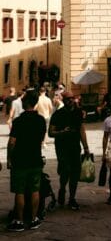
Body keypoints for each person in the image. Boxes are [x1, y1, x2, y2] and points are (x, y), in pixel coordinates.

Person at [7, 89, 46, 232]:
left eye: (23, 100)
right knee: (35, 190)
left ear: (26, 102)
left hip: (20, 160)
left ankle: (19, 221)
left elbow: (12, 142)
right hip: (35, 159)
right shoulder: (41, 120)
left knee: (20, 191)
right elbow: (42, 139)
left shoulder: (19, 121)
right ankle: (35, 219)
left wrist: (9, 158)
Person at [49, 91, 90, 211]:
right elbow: (51, 133)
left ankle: (72, 198)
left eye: (72, 98)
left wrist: (86, 147)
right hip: (62, 147)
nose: (71, 100)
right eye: (68, 98)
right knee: (65, 171)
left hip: (75, 147)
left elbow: (82, 130)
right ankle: (62, 188)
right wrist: (62, 132)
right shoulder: (58, 114)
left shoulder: (78, 113)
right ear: (63, 100)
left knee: (75, 173)